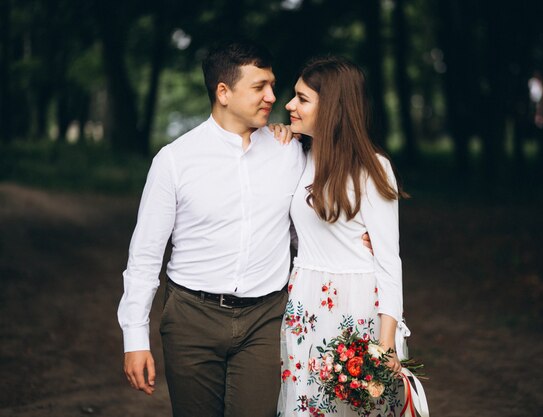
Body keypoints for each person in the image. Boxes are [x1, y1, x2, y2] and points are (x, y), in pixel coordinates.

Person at [117, 40, 306, 417]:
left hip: (265, 319)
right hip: (191, 319)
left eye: (272, 84)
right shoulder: (175, 161)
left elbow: (309, 226)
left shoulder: (290, 151)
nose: (272, 96)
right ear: (223, 91)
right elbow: (145, 255)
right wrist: (134, 339)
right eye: (259, 87)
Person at [277, 56, 406, 416]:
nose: (289, 105)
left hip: (357, 308)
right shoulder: (297, 154)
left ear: (331, 106)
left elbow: (388, 260)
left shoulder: (372, 168)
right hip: (305, 302)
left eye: (302, 99)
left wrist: (386, 342)